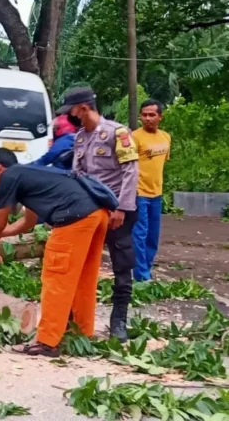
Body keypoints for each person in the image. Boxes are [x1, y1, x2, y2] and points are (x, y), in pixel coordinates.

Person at [0, 148, 110, 357]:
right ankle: (81, 334)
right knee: (83, 277)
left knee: (56, 278)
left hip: (74, 217)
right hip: (98, 214)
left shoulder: (8, 176)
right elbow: (27, 222)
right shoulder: (30, 175)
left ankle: (47, 341)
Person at [59, 86, 139, 342]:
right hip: (89, 211)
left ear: (83, 107)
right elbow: (77, 174)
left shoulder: (118, 133)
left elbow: (130, 172)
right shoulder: (81, 137)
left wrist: (122, 209)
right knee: (79, 264)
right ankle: (74, 318)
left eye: (71, 110)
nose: (70, 116)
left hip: (117, 211)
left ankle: (119, 321)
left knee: (122, 266)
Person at [132, 99, 171, 282]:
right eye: (144, 115)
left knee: (152, 236)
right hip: (138, 193)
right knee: (139, 234)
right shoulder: (134, 137)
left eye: (151, 115)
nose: (147, 118)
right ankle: (141, 276)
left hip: (157, 193)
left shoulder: (165, 137)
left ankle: (146, 269)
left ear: (160, 117)